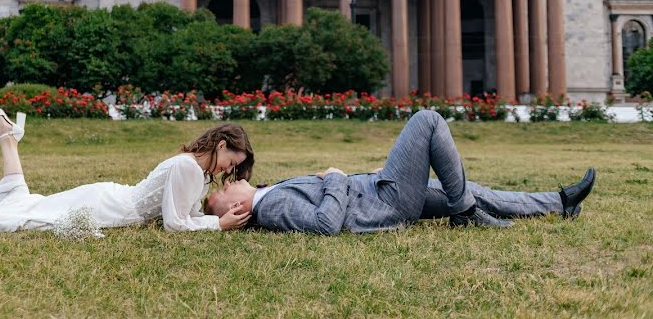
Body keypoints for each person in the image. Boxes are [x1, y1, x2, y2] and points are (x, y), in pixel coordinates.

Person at [206, 110, 596, 234]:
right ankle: (464, 213)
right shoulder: (270, 209)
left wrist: (361, 175)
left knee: (465, 188)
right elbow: (326, 223)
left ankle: (559, 203)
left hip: (378, 189)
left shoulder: (266, 193)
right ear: (234, 212)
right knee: (427, 120)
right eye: (218, 195)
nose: (229, 180)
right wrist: (338, 176)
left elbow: (334, 197)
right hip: (386, 203)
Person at [0, 108, 254, 235]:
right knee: (32, 217)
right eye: (232, 162)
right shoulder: (188, 168)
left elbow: (186, 214)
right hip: (109, 206)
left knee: (35, 204)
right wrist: (218, 224)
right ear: (221, 145)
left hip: (110, 198)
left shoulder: (196, 170)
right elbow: (175, 224)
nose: (229, 170)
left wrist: (209, 218)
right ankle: (6, 138)